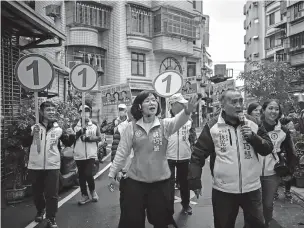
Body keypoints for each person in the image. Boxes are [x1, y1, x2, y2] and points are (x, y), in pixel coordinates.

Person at [108, 91, 199, 228]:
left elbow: (178, 121)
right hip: (136, 182)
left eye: (154, 100)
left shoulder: (165, 125)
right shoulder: (131, 128)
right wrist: (112, 174)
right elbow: (122, 152)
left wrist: (187, 112)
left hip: (160, 183)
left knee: (161, 222)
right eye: (147, 100)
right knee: (132, 222)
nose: (152, 103)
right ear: (139, 107)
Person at [188, 89, 274, 228]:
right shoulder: (213, 126)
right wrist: (194, 181)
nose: (239, 105)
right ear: (222, 105)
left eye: (240, 101)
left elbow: (268, 148)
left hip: (251, 188)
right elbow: (198, 154)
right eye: (234, 102)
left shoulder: (253, 123)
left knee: (257, 225)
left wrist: (254, 138)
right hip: (223, 190)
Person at [22, 101, 75, 228]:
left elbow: (67, 143)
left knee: (52, 194)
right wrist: (30, 134)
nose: (51, 112)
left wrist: (72, 134)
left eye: (53, 109)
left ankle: (51, 218)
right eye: (48, 110)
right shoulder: (33, 127)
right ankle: (40, 210)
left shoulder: (58, 129)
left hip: (53, 165)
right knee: (37, 193)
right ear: (41, 112)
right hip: (35, 165)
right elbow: (24, 143)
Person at [166, 93, 197, 215]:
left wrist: (193, 154)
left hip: (185, 157)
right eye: (181, 104)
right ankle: (168, 209)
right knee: (169, 184)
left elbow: (192, 138)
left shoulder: (189, 121)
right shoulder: (166, 121)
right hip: (169, 157)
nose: (184, 106)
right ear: (173, 105)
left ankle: (186, 205)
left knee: (185, 183)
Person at [72, 104, 101, 205]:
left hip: (91, 154)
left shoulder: (94, 124)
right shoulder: (75, 125)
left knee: (88, 173)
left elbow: (99, 137)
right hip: (79, 154)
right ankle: (84, 195)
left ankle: (93, 191)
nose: (85, 114)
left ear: (90, 113)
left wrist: (89, 139)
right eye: (83, 112)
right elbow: (71, 138)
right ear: (80, 113)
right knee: (81, 176)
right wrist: (79, 133)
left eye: (87, 111)